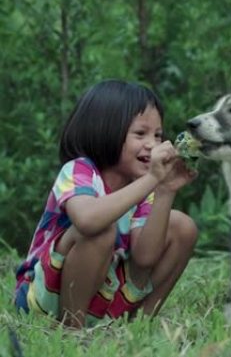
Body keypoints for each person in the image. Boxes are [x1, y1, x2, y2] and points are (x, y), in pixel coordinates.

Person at [13, 80, 198, 328]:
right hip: (45, 297)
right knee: (101, 230)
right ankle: (72, 329)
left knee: (182, 226)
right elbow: (88, 221)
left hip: (102, 294)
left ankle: (137, 326)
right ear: (105, 129)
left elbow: (145, 258)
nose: (152, 144)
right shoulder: (79, 171)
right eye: (140, 134)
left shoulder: (144, 187)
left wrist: (164, 190)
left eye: (158, 135)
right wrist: (154, 178)